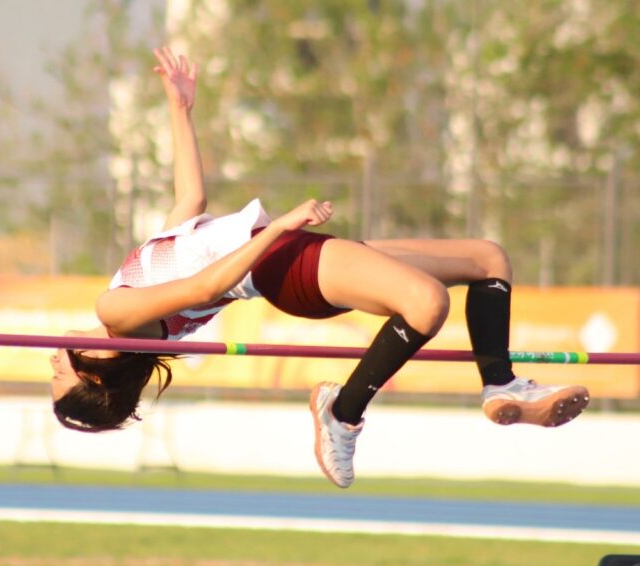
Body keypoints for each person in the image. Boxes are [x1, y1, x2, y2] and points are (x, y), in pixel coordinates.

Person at [50, 47, 589, 488]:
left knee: (488, 259)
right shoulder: (117, 314)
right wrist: (281, 226)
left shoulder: (126, 302)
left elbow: (189, 201)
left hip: (291, 256)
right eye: (58, 373)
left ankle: (500, 384)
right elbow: (206, 283)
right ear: (91, 373)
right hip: (283, 266)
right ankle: (342, 412)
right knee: (427, 303)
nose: (52, 358)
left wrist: (180, 109)